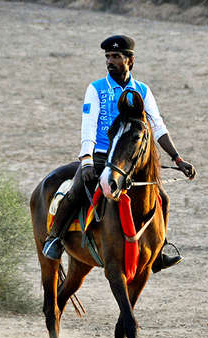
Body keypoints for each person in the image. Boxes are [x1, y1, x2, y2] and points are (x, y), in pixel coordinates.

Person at [43, 35, 196, 272]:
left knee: (162, 198)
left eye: (116, 57)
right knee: (74, 191)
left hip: (131, 160)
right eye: (108, 57)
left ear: (130, 60)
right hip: (102, 156)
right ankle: (55, 238)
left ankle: (158, 250)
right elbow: (88, 126)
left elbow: (158, 127)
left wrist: (177, 158)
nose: (110, 61)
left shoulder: (143, 91)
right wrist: (86, 161)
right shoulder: (96, 89)